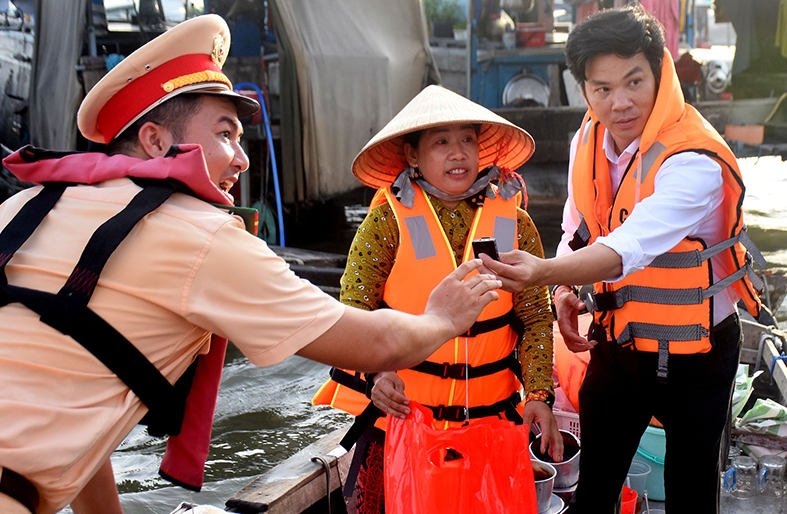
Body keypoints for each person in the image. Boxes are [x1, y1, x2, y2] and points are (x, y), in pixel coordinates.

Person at [0, 16, 503, 514]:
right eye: (225, 134)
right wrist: (441, 318)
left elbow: (76, 401)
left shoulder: (24, 209)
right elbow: (374, 342)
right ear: (155, 142)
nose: (242, 158)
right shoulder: (199, 234)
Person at [478, 6, 766, 514]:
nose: (620, 102)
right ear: (584, 90)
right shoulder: (585, 140)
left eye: (634, 81)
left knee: (691, 493)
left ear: (660, 72)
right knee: (594, 491)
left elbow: (625, 249)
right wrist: (564, 293)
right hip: (618, 344)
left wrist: (543, 273)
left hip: (699, 354)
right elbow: (577, 229)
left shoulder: (693, 159)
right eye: (602, 88)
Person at [312, 85, 563, 513]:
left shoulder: (514, 221)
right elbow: (352, 312)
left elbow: (537, 314)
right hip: (409, 420)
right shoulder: (385, 221)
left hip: (496, 419)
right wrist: (377, 375)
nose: (458, 153)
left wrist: (539, 393)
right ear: (412, 155)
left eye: (467, 139)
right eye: (441, 142)